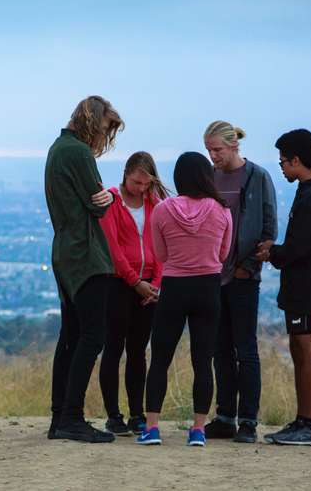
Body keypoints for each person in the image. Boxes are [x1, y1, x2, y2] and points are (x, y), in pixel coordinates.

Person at [256, 128, 311, 446]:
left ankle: (309, 424)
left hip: (308, 287)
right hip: (307, 286)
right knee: (299, 347)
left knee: (306, 350)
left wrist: (272, 252)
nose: (280, 167)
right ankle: (303, 421)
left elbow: (299, 248)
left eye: (283, 161)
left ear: (296, 160)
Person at [136, 152, 232, 447]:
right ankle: (199, 430)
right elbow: (222, 255)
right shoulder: (222, 210)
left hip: (174, 287)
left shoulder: (164, 210)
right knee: (203, 361)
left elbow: (161, 255)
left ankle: (152, 428)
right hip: (208, 288)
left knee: (160, 360)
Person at [45, 95, 125, 443]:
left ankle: (59, 416)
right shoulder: (77, 152)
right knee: (93, 335)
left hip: (65, 251)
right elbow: (96, 203)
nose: (105, 138)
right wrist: (108, 196)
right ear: (93, 122)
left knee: (72, 336)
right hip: (86, 254)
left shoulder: (57, 148)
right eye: (106, 129)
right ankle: (72, 417)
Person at [203, 121, 277, 443]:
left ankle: (248, 421)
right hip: (213, 276)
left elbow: (268, 226)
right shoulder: (209, 178)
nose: (213, 155)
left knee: (245, 349)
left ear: (234, 146)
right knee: (220, 348)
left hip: (244, 276)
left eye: (217, 149)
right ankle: (224, 417)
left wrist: (248, 267)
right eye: (209, 150)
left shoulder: (257, 176)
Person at [97, 151, 167, 436]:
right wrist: (133, 280)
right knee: (113, 348)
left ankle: (138, 413)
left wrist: (157, 283)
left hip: (149, 285)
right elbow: (111, 247)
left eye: (145, 183)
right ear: (126, 174)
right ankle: (114, 414)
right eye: (137, 182)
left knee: (138, 351)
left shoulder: (156, 205)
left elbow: (162, 247)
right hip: (119, 284)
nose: (140, 188)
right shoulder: (112, 201)